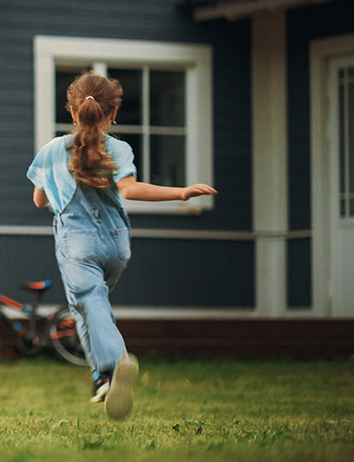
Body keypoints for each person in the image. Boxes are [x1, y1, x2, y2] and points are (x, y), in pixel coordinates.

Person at [27, 72, 217, 420]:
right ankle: (102, 380)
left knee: (88, 301)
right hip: (117, 246)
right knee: (88, 305)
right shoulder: (119, 148)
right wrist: (182, 192)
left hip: (77, 244)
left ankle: (115, 363)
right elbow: (130, 190)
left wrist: (54, 185)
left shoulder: (52, 151)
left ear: (72, 112)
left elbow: (39, 200)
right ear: (113, 114)